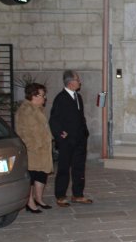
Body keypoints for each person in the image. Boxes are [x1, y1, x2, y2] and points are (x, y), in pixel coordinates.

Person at [49, 70, 92, 207]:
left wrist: (85, 132)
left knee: (79, 168)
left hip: (79, 140)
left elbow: (80, 117)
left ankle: (78, 194)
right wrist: (61, 134)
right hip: (67, 142)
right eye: (77, 80)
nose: (80, 82)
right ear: (70, 82)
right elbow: (54, 120)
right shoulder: (60, 98)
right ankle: (60, 196)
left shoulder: (78, 97)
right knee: (64, 169)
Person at [15, 83, 54, 213]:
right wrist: (34, 146)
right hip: (33, 151)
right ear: (34, 96)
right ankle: (30, 202)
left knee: (41, 175)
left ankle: (39, 199)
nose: (44, 98)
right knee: (32, 176)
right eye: (42, 95)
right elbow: (23, 132)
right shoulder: (25, 110)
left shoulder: (37, 108)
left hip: (42, 150)